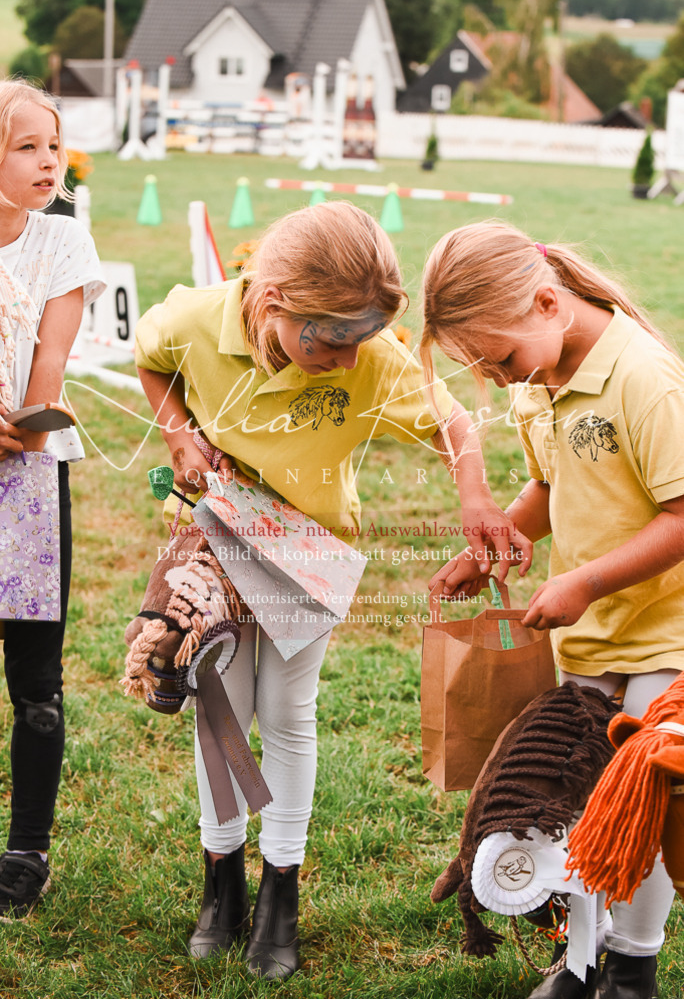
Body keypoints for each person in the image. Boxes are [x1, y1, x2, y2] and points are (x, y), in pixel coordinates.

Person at [134, 201, 530, 980]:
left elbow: (455, 424)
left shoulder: (371, 357)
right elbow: (151, 359)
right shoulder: (196, 319)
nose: (350, 362)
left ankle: (280, 887)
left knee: (285, 712)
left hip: (308, 555)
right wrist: (180, 431)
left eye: (363, 342)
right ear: (275, 302)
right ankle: (223, 885)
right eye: (333, 341)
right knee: (219, 712)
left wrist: (476, 498)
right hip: (215, 543)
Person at [420, 219, 683, 999]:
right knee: (570, 805)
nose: (499, 381)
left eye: (498, 361)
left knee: (642, 801)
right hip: (589, 641)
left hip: (665, 639)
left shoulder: (645, 380)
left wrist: (586, 583)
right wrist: (491, 543)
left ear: (546, 303)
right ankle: (579, 962)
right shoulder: (543, 381)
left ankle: (634, 966)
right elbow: (550, 483)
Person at [0, 78, 105, 918]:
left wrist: (28, 430)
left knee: (35, 679)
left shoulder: (62, 243)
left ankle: (26, 850)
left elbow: (51, 362)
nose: (48, 162)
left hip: (29, 477)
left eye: (53, 145)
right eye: (25, 146)